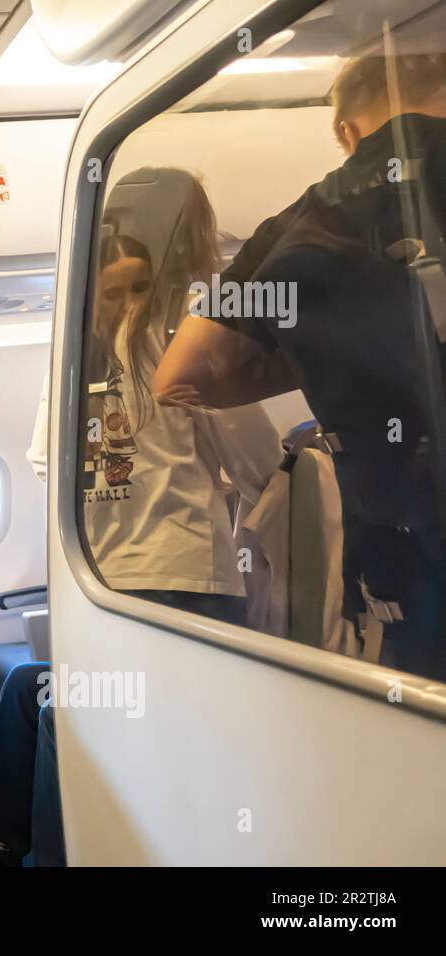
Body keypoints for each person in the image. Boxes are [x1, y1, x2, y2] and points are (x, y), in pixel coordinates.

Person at [0, 169, 281, 865]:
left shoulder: (73, 355)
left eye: (137, 286)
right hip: (188, 587)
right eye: (117, 288)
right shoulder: (187, 346)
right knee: (168, 745)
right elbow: (259, 460)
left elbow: (41, 462)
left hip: (104, 587)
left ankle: (8, 844)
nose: (127, 301)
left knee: (89, 726)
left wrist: (107, 497)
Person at [153, 53, 446, 678]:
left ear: (347, 132)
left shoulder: (314, 219)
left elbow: (182, 376)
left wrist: (324, 352)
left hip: (411, 553)